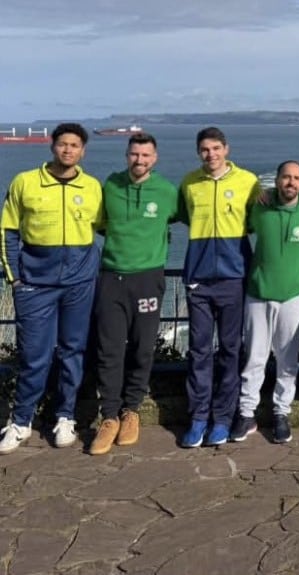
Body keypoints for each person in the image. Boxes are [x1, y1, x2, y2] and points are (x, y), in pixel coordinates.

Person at [0, 123, 102, 453]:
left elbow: (107, 227)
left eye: (74, 145)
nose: (68, 150)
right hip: (35, 285)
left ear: (83, 151)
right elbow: (8, 231)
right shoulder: (25, 182)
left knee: (73, 351)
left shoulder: (92, 187)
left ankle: (65, 416)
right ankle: (21, 421)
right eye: (63, 144)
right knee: (34, 356)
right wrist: (15, 278)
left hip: (79, 283)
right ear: (52, 147)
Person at [89, 132, 179, 455]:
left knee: (142, 348)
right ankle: (109, 416)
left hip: (148, 279)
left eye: (145, 155)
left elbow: (188, 214)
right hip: (112, 277)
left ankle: (131, 410)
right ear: (126, 155)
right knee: (109, 348)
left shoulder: (168, 191)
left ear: (154, 158)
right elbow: (99, 224)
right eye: (134, 154)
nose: (139, 160)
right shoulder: (109, 185)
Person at [177, 127, 259, 448]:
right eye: (204, 150)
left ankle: (223, 418)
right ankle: (198, 417)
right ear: (199, 152)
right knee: (198, 350)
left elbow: (255, 220)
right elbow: (185, 215)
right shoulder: (189, 183)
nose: (210, 155)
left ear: (226, 149)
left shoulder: (248, 181)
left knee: (229, 350)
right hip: (197, 276)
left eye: (215, 148)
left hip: (234, 276)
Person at [230, 161, 299, 445]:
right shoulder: (260, 205)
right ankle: (246, 414)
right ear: (277, 181)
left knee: (287, 360)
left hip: (295, 295)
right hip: (258, 292)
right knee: (254, 358)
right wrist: (259, 191)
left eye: (296, 178)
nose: (290, 182)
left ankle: (281, 413)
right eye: (285, 177)